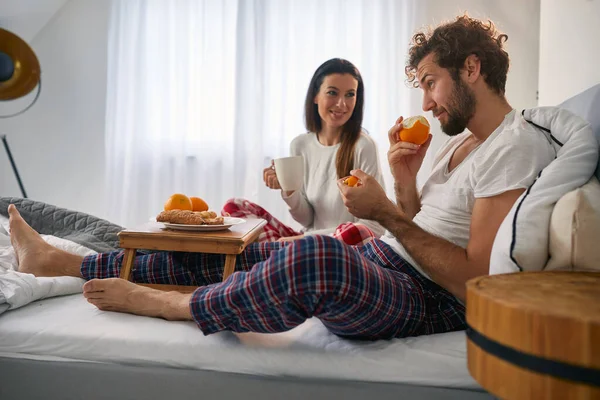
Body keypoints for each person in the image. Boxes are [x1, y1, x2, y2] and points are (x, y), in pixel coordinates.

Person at [7, 15, 555, 340]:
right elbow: (418, 223)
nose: (426, 101)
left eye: (431, 83)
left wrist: (385, 213)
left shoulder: (514, 146)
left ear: (472, 70)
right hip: (390, 261)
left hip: (430, 298)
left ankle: (169, 303)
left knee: (314, 256)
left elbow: (475, 284)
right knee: (239, 249)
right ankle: (66, 261)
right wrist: (403, 178)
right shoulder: (459, 144)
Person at [222, 58, 386, 244]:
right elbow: (307, 219)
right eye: (332, 93)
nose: (342, 104)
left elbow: (373, 228)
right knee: (234, 206)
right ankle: (275, 253)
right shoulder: (300, 145)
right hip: (306, 241)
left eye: (350, 95)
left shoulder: (364, 147)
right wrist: (288, 188)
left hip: (341, 247)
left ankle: (270, 254)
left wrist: (297, 240)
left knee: (354, 232)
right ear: (315, 96)